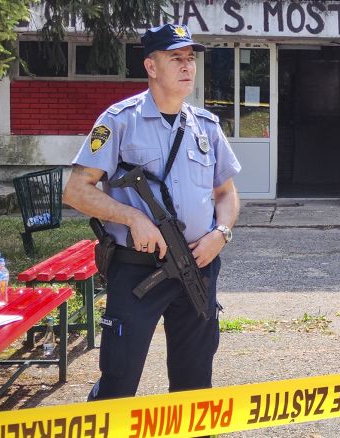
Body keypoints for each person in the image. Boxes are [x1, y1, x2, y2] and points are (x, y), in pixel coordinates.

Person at [62, 24, 241, 402]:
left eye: (190, 58)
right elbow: (76, 190)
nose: (187, 66)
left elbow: (226, 193)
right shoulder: (119, 121)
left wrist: (220, 234)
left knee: (194, 386)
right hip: (138, 269)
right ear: (151, 66)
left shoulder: (205, 126)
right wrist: (134, 218)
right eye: (176, 58)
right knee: (119, 381)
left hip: (197, 265)